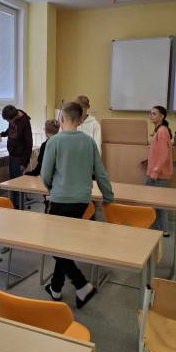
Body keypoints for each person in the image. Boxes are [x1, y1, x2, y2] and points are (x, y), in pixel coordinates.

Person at [41, 101, 114, 309]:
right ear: (80, 120)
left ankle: (82, 285)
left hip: (60, 200)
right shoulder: (89, 142)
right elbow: (100, 173)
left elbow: (45, 174)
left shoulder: (54, 141)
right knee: (64, 246)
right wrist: (108, 196)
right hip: (83, 201)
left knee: (55, 246)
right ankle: (56, 288)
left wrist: (53, 189)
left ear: (62, 119)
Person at [139, 105, 173, 236]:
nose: (151, 115)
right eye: (150, 113)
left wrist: (155, 171)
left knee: (157, 203)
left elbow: (163, 154)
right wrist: (148, 161)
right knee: (159, 202)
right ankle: (161, 229)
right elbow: (157, 152)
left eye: (154, 114)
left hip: (158, 175)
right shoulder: (159, 130)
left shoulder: (162, 131)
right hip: (157, 172)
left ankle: (162, 229)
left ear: (161, 116)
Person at [0, 105, 33, 208]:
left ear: (15, 116)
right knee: (12, 180)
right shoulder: (12, 115)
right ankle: (13, 203)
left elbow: (29, 143)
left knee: (17, 182)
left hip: (20, 157)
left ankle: (18, 206)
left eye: (9, 120)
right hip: (12, 154)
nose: (8, 122)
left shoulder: (25, 122)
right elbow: (10, 130)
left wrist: (25, 162)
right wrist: (2, 134)